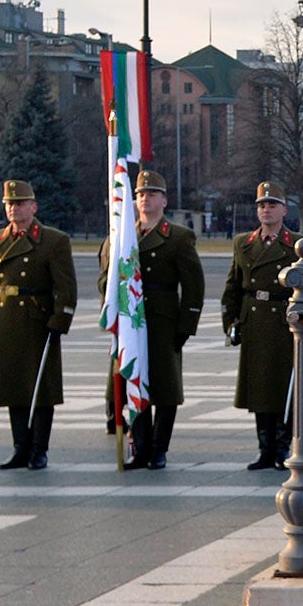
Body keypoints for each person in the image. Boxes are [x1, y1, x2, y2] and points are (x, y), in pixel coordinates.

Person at [98, 171, 205, 469]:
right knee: (134, 379)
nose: (146, 198)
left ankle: (159, 448)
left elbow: (194, 286)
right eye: (141, 194)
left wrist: (186, 326)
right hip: (132, 321)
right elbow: (106, 277)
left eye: (153, 194)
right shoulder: (122, 236)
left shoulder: (179, 236)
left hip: (161, 320)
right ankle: (141, 446)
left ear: (164, 201)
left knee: (165, 387)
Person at [0, 180, 76, 470]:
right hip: (8, 319)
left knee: (40, 388)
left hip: (38, 320)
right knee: (13, 387)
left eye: (20, 203)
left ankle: (38, 449)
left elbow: (66, 285)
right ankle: (20, 447)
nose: (13, 208)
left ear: (33, 207)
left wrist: (62, 317)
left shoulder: (52, 240)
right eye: (10, 203)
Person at [222, 183, 299, 471]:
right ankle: (265, 450)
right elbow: (233, 286)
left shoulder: (296, 244)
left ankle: (281, 449)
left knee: (283, 391)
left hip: (282, 323)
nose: (265, 209)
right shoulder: (243, 243)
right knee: (259, 391)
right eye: (261, 205)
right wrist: (231, 322)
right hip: (254, 321)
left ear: (283, 210)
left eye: (272, 204)